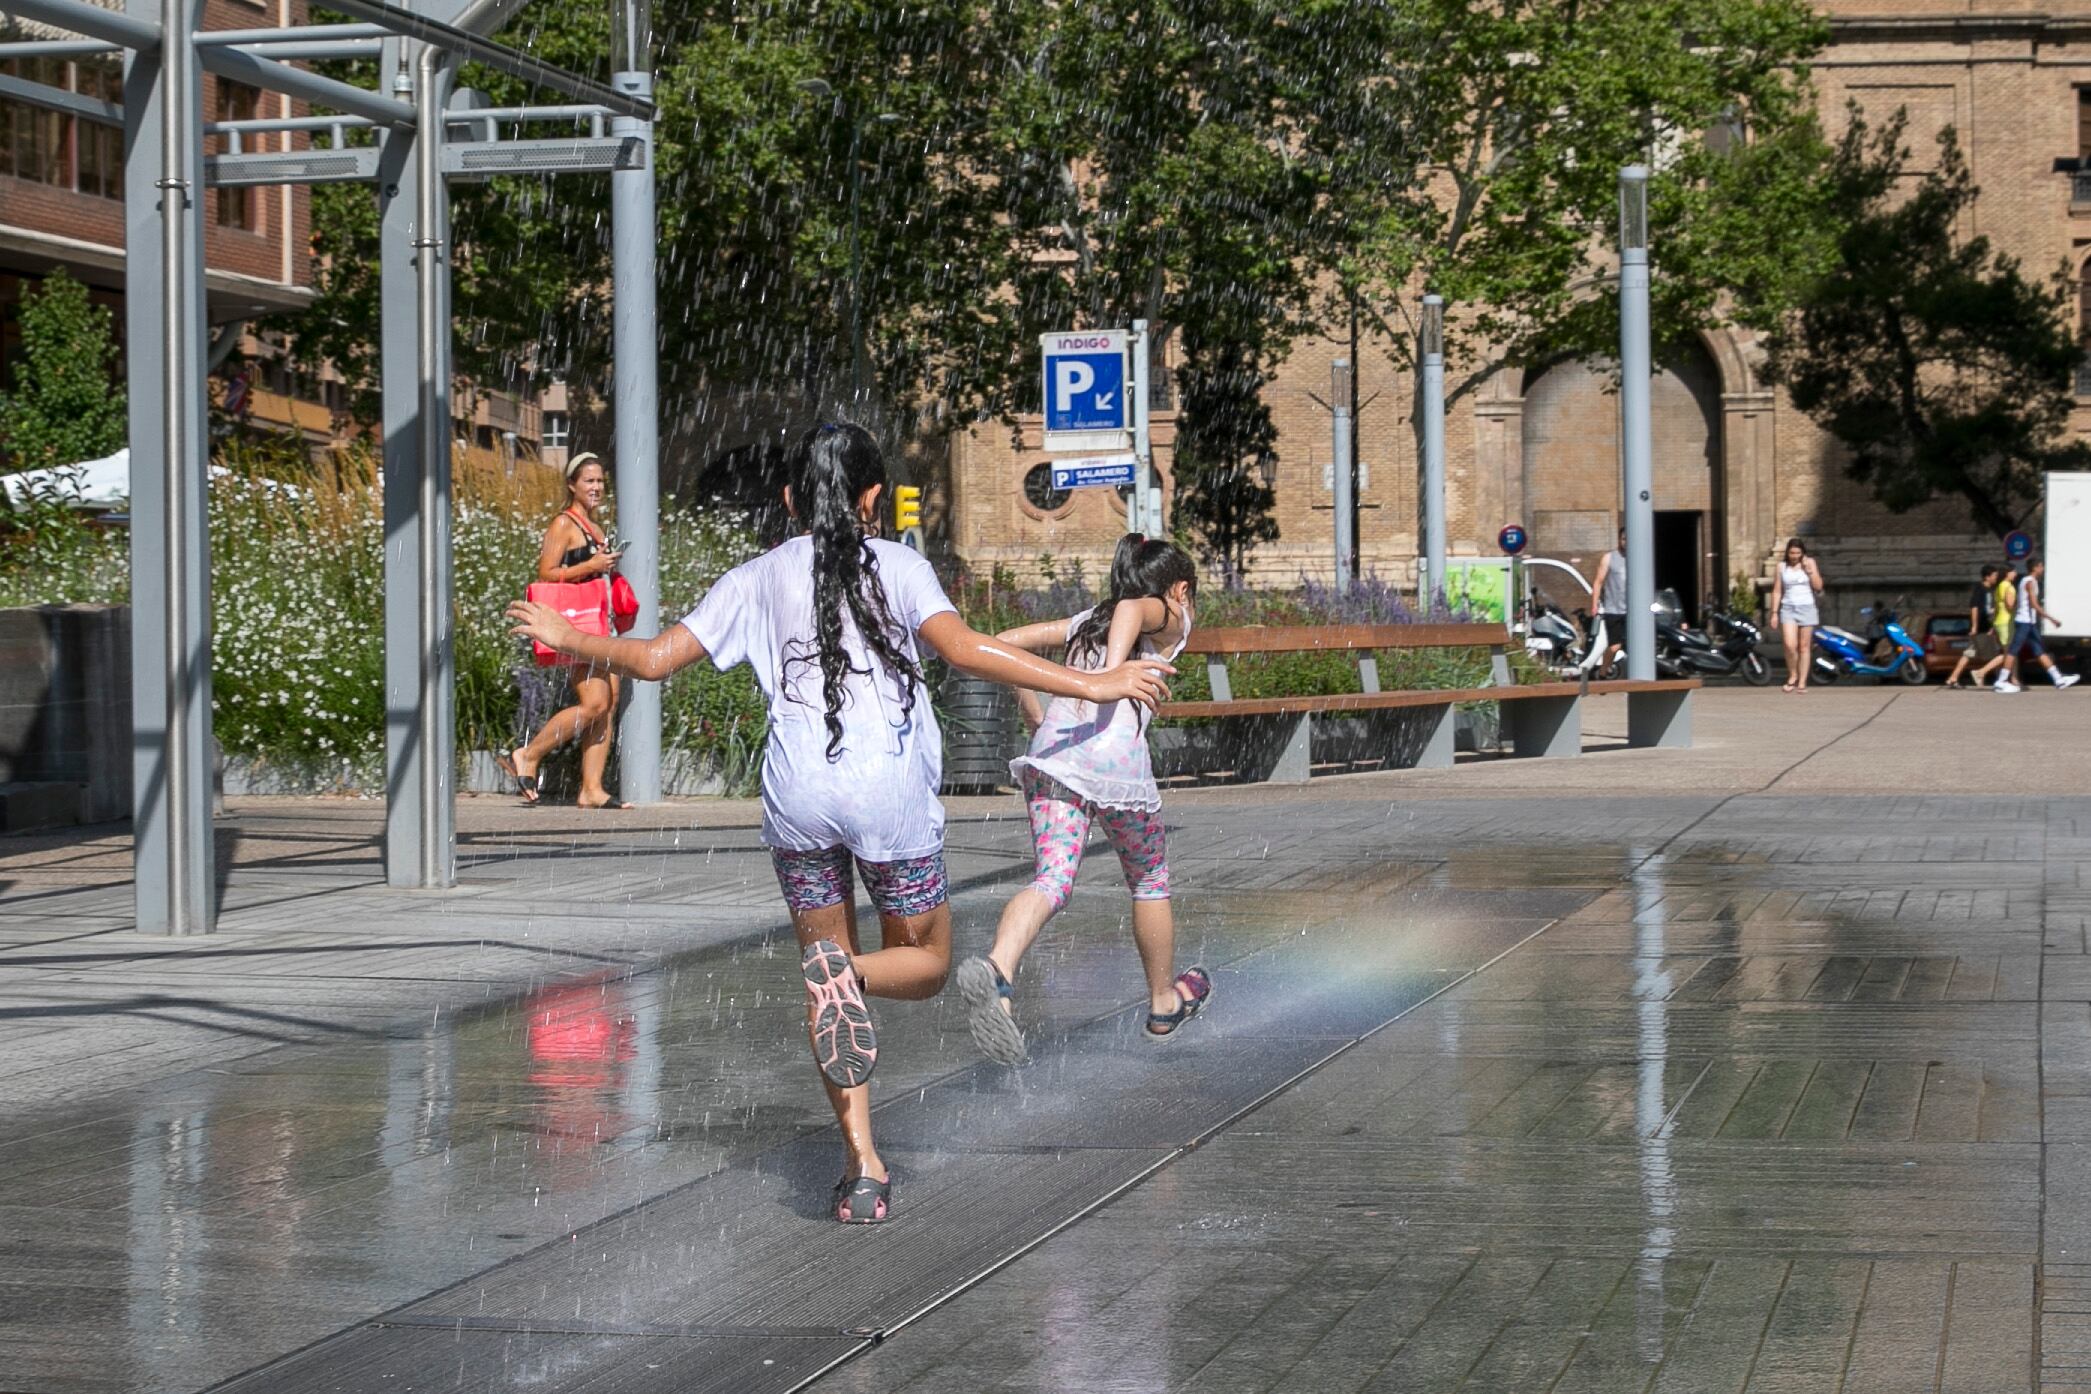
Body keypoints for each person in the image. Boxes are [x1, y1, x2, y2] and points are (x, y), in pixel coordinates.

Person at [507, 423, 1174, 1224]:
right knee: (923, 967)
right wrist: (1095, 687)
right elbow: (964, 651)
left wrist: (567, 635)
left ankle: (863, 1167)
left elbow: (650, 660)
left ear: (789, 499)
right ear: (870, 499)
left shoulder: (756, 575)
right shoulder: (899, 566)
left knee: (820, 970)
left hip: (800, 799)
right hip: (887, 795)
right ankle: (851, 976)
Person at [956, 535, 1212, 1066]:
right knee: (1148, 879)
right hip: (1114, 768)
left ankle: (999, 971)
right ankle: (1164, 1002)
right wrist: (1110, 677)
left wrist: (1033, 707)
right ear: (1181, 588)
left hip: (1053, 758)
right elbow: (1131, 607)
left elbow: (1003, 644)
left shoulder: (1082, 622)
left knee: (1052, 879)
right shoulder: (1170, 616)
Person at [500, 453, 632, 808]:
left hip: (600, 625)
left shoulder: (595, 527)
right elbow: (545, 571)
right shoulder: (563, 524)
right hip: (578, 627)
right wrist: (590, 564)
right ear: (572, 485)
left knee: (609, 705)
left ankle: (591, 789)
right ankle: (529, 753)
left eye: (601, 481)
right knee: (593, 704)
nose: (596, 487)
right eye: (589, 481)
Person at [1997, 556, 2081, 693]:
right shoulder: (2030, 582)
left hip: (2029, 623)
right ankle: (2001, 681)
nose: (2042, 569)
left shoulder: (2028, 580)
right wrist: (2051, 619)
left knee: (2039, 651)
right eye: (2041, 566)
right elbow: (2034, 604)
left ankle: (2058, 679)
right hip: (2024, 622)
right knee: (2013, 650)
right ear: (2035, 568)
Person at [1768, 537, 1824, 693]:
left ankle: (1802, 682)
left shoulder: (1810, 563)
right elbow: (1777, 590)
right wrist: (1774, 613)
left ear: (1802, 553)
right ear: (1787, 552)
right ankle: (1793, 674)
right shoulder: (1781, 567)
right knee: (1789, 644)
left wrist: (1810, 571)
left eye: (1798, 553)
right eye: (1792, 553)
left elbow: (1819, 586)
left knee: (1804, 646)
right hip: (1788, 608)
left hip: (1807, 607)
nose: (1794, 556)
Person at [1941, 564, 2007, 690]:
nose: (1996, 578)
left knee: (1968, 654)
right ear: (1987, 577)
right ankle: (1989, 676)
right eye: (1994, 576)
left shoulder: (1990, 590)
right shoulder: (1980, 589)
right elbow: (1975, 607)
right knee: (1999, 654)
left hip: (1986, 628)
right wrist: (1974, 626)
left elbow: (1987, 609)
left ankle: (1953, 678)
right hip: (1980, 629)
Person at [1591, 529, 1628, 672]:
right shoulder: (1609, 558)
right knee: (1614, 647)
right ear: (1619, 539)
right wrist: (1594, 604)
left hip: (1632, 610)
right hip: (1613, 609)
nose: (1626, 542)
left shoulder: (1637, 558)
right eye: (1623, 539)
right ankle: (1603, 670)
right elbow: (1598, 582)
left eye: (1628, 539)